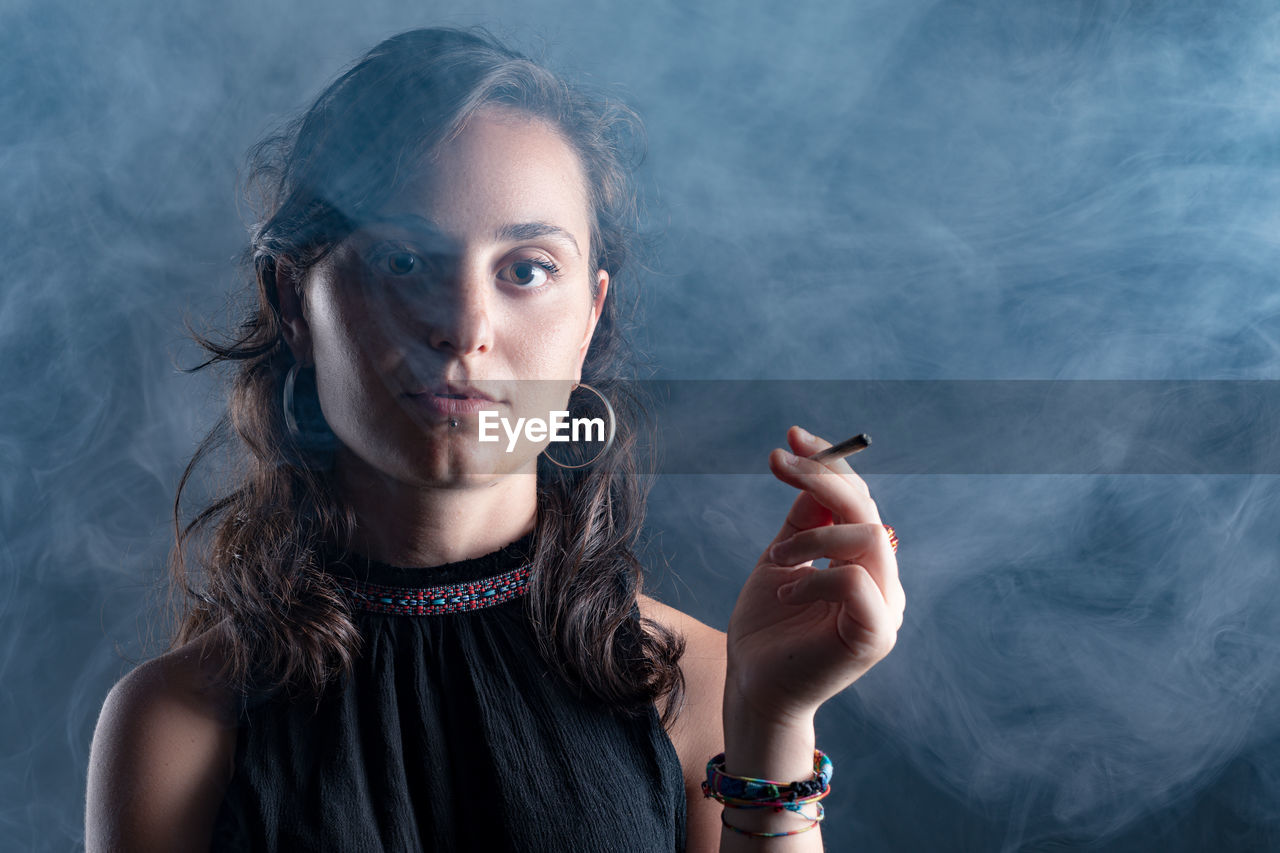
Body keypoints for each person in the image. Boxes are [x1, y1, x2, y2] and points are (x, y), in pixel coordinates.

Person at [85, 26, 905, 852]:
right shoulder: (177, 725)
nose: (465, 327)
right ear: (295, 301)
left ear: (589, 314)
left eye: (526, 269)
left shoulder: (701, 686)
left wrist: (771, 717)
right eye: (404, 263)